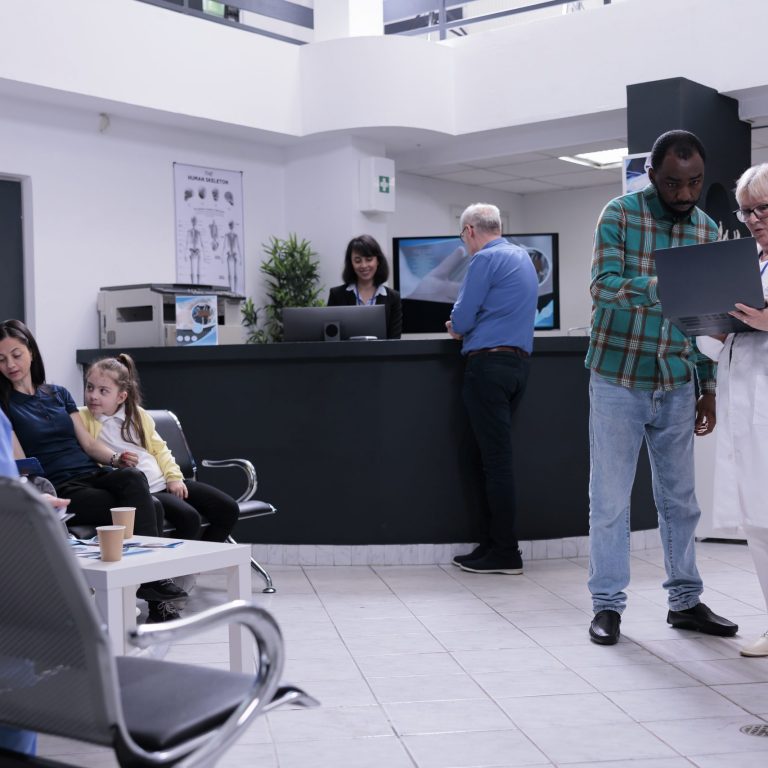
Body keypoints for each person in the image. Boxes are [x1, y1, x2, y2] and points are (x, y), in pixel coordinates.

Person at [585, 130, 738, 645]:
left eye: (694, 182)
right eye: (673, 183)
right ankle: (607, 606)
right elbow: (601, 289)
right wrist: (662, 285)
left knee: (681, 501)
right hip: (617, 377)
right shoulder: (620, 214)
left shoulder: (707, 229)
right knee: (609, 500)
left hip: (676, 379)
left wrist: (708, 386)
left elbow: (706, 319)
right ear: (652, 174)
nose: (684, 193)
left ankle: (686, 602)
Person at [0, 319, 186, 623]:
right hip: (62, 486)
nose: (10, 364)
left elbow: (87, 444)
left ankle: (150, 585)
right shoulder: (4, 404)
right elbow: (20, 461)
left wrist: (115, 458)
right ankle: (154, 588)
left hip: (90, 473)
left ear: (31, 352)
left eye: (16, 354)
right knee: (149, 505)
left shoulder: (58, 394)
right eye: (1, 358)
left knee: (132, 476)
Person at [446, 203, 539, 574]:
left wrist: (456, 325)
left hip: (488, 366)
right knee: (486, 458)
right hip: (517, 367)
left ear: (470, 230)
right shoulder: (524, 259)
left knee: (494, 463)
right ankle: (490, 544)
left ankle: (505, 551)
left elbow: (463, 318)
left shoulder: (484, 260)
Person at [702, 163, 768, 657]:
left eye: (764, 208)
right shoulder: (751, 265)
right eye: (747, 210)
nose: (754, 219)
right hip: (747, 406)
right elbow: (718, 347)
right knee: (758, 521)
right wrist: (714, 328)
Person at [80, 354, 239, 545]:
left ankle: (196, 563)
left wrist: (174, 478)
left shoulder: (138, 416)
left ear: (121, 396)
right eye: (90, 387)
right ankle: (175, 570)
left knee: (228, 508)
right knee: (189, 518)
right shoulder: (81, 418)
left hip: (164, 480)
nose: (93, 395)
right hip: (146, 491)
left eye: (103, 390)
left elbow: (160, 449)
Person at [327, 235, 403, 339]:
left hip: (381, 354)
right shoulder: (337, 295)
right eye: (358, 261)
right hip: (346, 354)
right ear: (351, 263)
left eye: (369, 259)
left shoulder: (393, 297)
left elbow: (394, 340)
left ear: (378, 261)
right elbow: (331, 337)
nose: (363, 265)